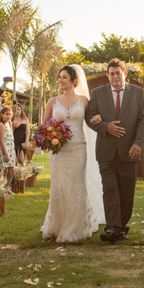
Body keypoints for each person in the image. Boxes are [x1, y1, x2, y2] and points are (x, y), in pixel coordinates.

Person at [86, 59, 144, 243]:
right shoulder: (97, 93)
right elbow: (89, 116)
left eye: (117, 73)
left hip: (129, 150)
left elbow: (143, 120)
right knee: (110, 189)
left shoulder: (138, 93)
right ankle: (113, 228)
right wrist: (105, 127)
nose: (114, 77)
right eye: (111, 74)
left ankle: (121, 226)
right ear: (108, 75)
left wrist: (138, 143)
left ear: (124, 74)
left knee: (126, 192)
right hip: (106, 151)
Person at [42, 65, 105, 242]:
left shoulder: (84, 101)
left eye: (64, 77)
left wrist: (99, 118)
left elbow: (94, 117)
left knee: (76, 186)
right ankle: (56, 225)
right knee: (59, 187)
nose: (60, 80)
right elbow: (43, 126)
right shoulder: (53, 102)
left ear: (74, 81)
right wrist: (50, 135)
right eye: (60, 77)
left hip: (78, 148)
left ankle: (73, 228)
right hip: (59, 151)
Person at [0, 108, 16, 184]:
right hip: (4, 149)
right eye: (7, 114)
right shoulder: (1, 125)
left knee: (12, 169)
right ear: (2, 115)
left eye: (10, 114)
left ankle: (8, 187)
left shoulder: (9, 124)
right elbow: (1, 140)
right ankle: (3, 188)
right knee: (5, 170)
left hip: (11, 148)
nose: (9, 116)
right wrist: (5, 153)